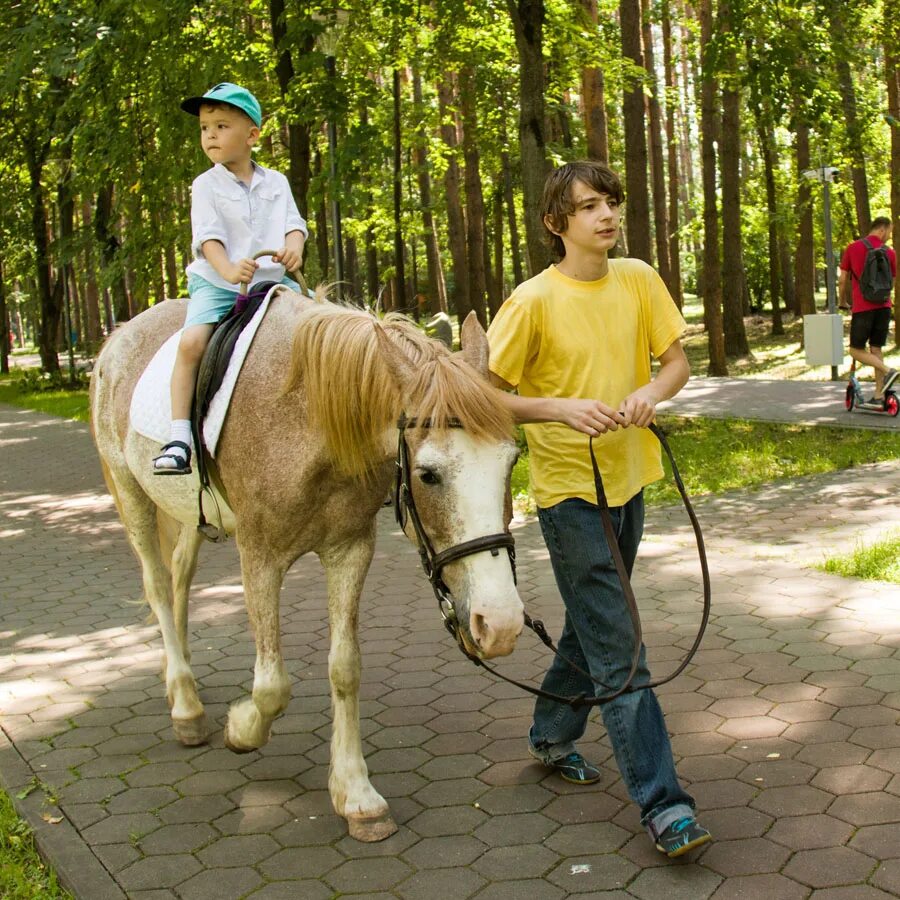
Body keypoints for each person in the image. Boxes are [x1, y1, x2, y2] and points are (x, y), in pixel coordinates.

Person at [486, 160, 710, 859]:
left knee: (593, 627)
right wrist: (556, 408)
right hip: (568, 495)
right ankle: (665, 805)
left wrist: (652, 391)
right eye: (588, 208)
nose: (606, 216)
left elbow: (676, 363)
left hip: (632, 477)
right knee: (621, 650)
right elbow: (483, 395)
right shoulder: (530, 302)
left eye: (611, 202)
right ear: (557, 224)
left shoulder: (640, 278)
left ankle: (552, 735)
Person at [153, 82, 308, 474]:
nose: (210, 135)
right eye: (205, 128)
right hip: (219, 283)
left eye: (221, 126)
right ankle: (178, 437)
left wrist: (294, 249)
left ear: (252, 135)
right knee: (191, 343)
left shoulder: (277, 182)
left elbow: (294, 225)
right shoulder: (205, 185)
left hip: (273, 283)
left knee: (321, 334)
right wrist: (227, 270)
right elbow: (208, 239)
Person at [838, 217, 897, 400]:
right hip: (884, 306)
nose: (889, 236)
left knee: (855, 350)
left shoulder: (852, 248)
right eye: (889, 232)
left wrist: (843, 301)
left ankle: (888, 371)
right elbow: (891, 282)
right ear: (882, 230)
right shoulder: (890, 252)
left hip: (863, 307)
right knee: (876, 348)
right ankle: (879, 393)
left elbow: (842, 280)